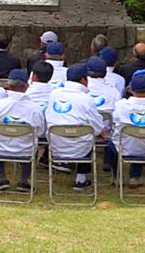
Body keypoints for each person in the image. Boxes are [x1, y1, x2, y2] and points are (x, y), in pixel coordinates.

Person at [44, 63, 104, 191]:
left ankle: (63, 163)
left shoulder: (54, 94)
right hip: (80, 148)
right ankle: (81, 178)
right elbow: (97, 128)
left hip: (55, 145)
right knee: (88, 134)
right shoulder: (86, 99)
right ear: (84, 79)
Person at [104, 73, 145, 187]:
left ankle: (116, 175)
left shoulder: (121, 105)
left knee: (113, 144)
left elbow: (115, 120)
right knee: (139, 141)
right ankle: (135, 177)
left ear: (131, 89)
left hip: (123, 148)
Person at [0, 69, 46, 192]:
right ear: (27, 87)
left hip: (0, 149)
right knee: (32, 144)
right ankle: (24, 181)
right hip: (26, 151)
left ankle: (1, 178)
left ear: (8, 85)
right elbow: (41, 132)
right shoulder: (35, 108)